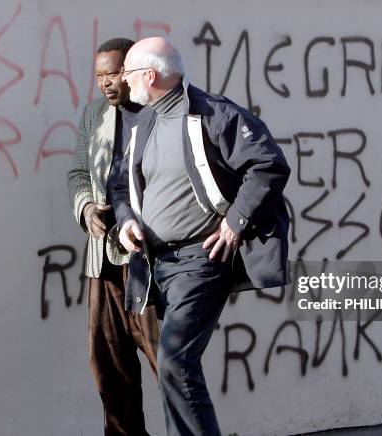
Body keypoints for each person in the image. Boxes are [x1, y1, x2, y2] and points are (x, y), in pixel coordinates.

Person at [111, 37, 290, 436]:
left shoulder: (213, 114)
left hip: (201, 260)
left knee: (175, 361)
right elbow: (118, 186)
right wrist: (124, 221)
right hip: (157, 264)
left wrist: (235, 222)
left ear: (150, 75)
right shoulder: (140, 122)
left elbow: (268, 164)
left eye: (128, 72)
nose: (123, 80)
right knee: (173, 365)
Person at [67, 37, 159, 436]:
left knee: (169, 365)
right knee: (108, 366)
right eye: (100, 75)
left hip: (148, 263)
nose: (106, 83)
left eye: (114, 73)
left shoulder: (159, 115)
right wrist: (86, 208)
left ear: (133, 71)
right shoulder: (93, 116)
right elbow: (77, 175)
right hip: (102, 263)